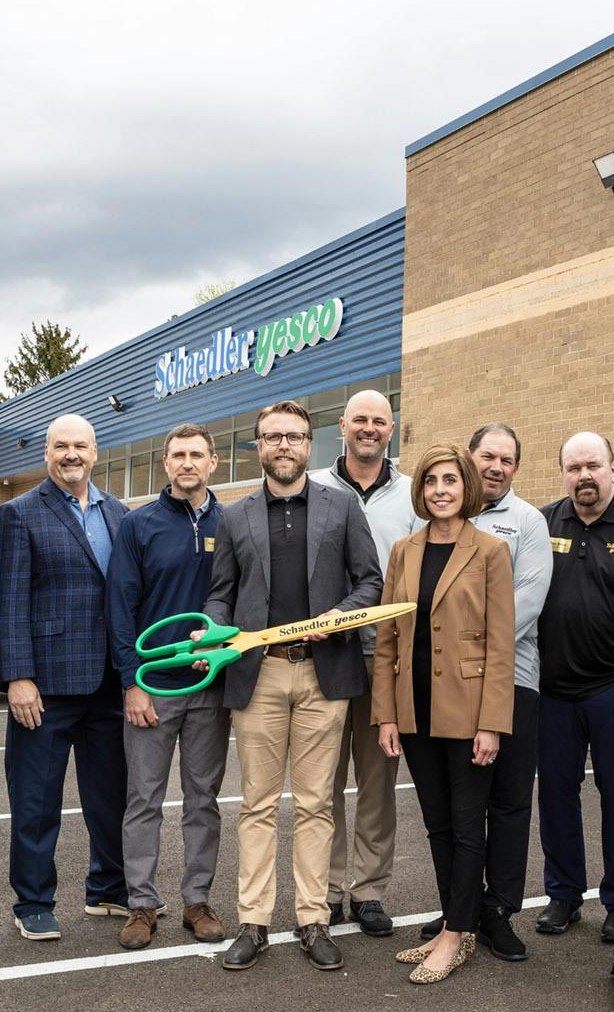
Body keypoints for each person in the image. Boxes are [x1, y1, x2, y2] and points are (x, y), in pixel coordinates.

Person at [200, 399, 383, 971]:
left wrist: (340, 618)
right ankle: (253, 922)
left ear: (311, 445)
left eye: (295, 436)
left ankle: (312, 920)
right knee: (255, 804)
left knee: (314, 805)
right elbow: (221, 593)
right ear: (258, 446)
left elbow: (370, 581)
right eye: (273, 436)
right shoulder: (234, 516)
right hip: (259, 673)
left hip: (323, 674)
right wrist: (214, 631)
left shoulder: (344, 505)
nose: (284, 445)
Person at [374, 442, 516, 985]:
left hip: (468, 711)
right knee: (435, 823)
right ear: (421, 489)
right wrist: (387, 715)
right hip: (415, 711)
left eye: (450, 481)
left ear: (467, 488)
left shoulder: (489, 552)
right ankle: (452, 925)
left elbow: (502, 645)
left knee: (465, 823)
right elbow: (387, 640)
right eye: (431, 481)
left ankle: (457, 933)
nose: (440, 490)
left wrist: (491, 724)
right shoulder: (404, 551)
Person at [0, 414, 130, 941]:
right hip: (44, 686)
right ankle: (32, 901)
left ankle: (109, 889)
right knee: (35, 801)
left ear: (96, 452)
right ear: (46, 453)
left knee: (110, 795)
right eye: (60, 446)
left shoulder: (119, 512)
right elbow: (7, 601)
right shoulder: (21, 513)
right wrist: (18, 677)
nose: (71, 454)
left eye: (80, 446)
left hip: (108, 683)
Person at [534, 431, 614, 944]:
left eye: (592, 465)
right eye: (573, 467)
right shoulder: (542, 523)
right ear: (562, 473)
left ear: (612, 467)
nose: (583, 476)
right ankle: (563, 895)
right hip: (553, 689)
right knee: (557, 795)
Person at [110, 424, 231, 948]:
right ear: (166, 464)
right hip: (152, 686)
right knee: (144, 800)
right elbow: (119, 607)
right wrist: (129, 685)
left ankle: (197, 901)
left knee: (203, 799)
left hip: (211, 686)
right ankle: (141, 905)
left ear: (214, 463)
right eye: (178, 455)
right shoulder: (139, 526)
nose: (188, 463)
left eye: (197, 455)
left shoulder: (234, 522)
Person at [308, 389, 418, 936]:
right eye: (359, 420)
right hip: (326, 658)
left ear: (391, 428)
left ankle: (369, 891)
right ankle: (325, 892)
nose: (369, 428)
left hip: (386, 660)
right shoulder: (315, 488)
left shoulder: (413, 498)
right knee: (322, 783)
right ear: (343, 428)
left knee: (376, 783)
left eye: (379, 420)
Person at [458, 423, 551, 961]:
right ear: (470, 457)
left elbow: (526, 602)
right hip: (449, 688)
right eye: (488, 456)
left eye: (507, 460)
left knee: (510, 801)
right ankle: (460, 911)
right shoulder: (442, 510)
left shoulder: (528, 522)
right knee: (462, 803)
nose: (496, 467)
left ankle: (499, 912)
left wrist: (463, 649)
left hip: (514, 679)